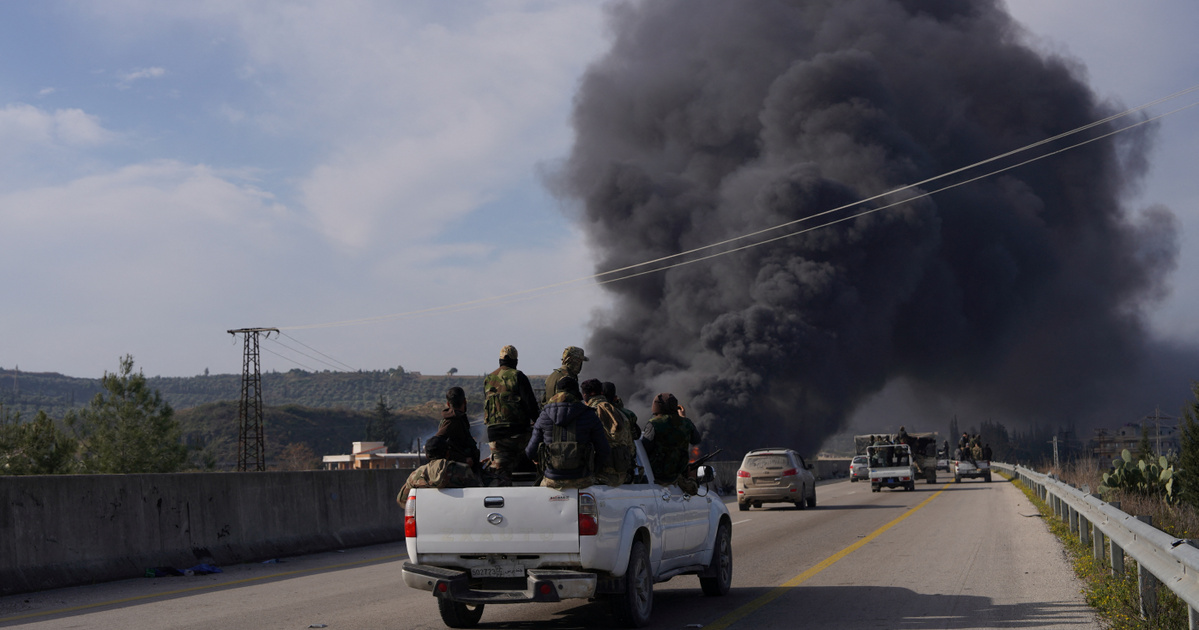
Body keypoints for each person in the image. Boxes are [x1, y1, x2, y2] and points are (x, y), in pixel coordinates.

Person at [525, 376, 611, 490]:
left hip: (552, 479)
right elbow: (604, 450)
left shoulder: (544, 415)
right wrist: (591, 470)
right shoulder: (589, 415)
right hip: (582, 480)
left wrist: (541, 463)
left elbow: (530, 451)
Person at [483, 345, 540, 486]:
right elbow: (531, 405)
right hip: (518, 435)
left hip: (495, 437)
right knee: (542, 454)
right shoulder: (518, 376)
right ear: (515, 361)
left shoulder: (489, 379)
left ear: (500, 361)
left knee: (501, 475)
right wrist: (539, 424)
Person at [641, 392, 700, 490]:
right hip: (678, 475)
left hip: (656, 476)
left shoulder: (654, 424)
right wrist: (683, 419)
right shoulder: (686, 423)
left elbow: (644, 450)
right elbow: (696, 440)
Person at [581, 378, 634, 486]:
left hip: (597, 478)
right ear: (601, 392)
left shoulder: (587, 415)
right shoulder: (620, 414)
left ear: (587, 395)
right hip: (622, 477)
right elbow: (631, 447)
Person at [437, 386, 481, 476]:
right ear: (464, 401)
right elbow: (437, 444)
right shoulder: (452, 421)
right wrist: (463, 459)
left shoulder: (458, 419)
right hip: (458, 471)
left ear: (448, 404)